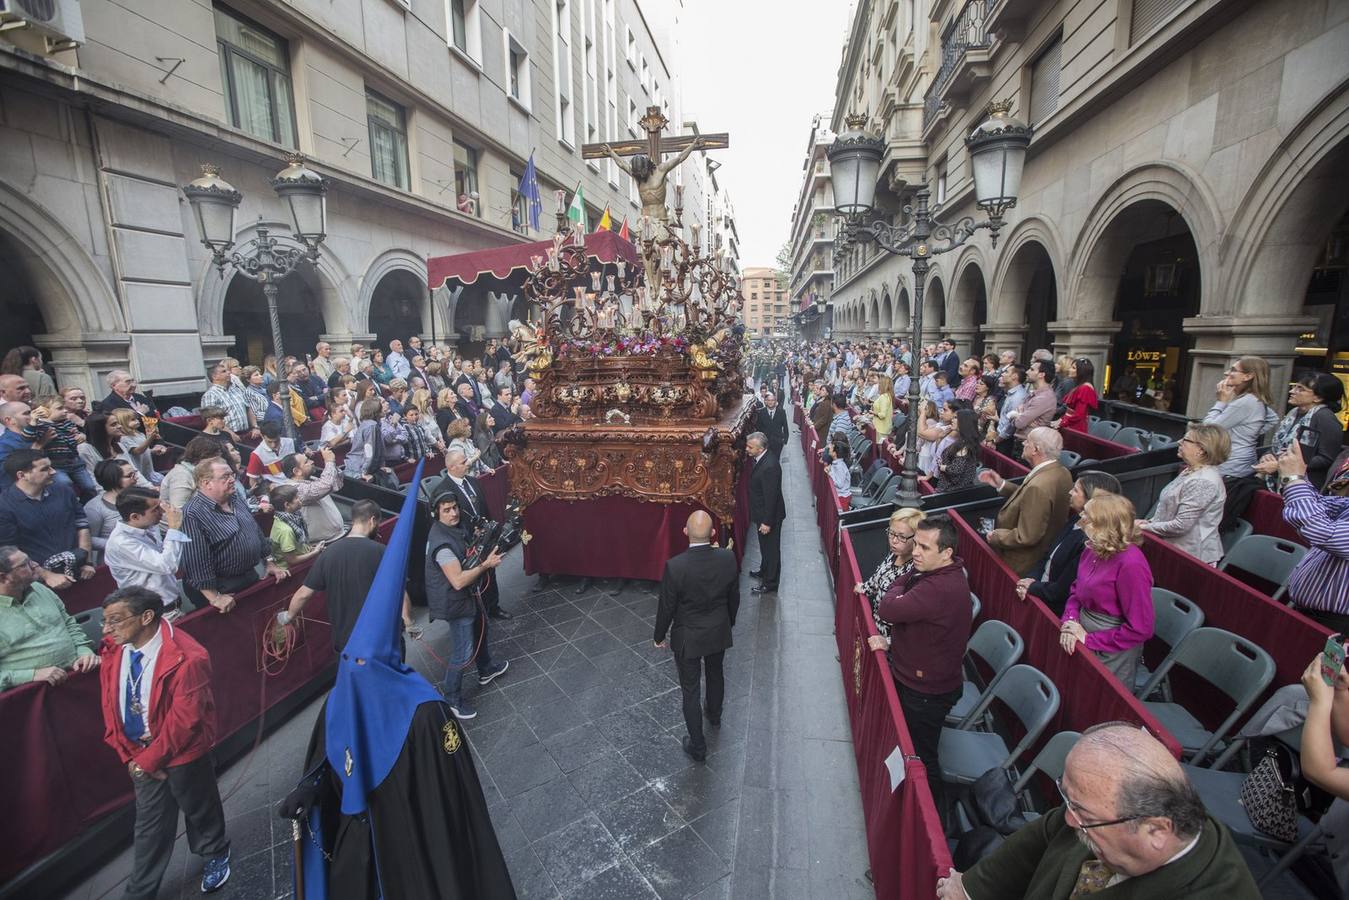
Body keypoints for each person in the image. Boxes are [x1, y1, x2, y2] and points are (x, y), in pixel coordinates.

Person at [282, 482, 515, 899]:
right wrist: (310, 788)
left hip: (412, 840)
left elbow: (451, 795)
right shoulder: (342, 699)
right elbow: (328, 758)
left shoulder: (426, 710)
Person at [936, 723, 1260, 900]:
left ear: (1157, 831)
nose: (1068, 819)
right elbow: (1044, 833)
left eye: (1084, 817)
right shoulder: (1104, 815)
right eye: (1070, 801)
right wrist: (971, 888)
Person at [98, 586, 232, 897]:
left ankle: (214, 852)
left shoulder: (188, 656)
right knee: (149, 826)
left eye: (115, 621)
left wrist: (146, 762)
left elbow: (186, 720)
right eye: (106, 621)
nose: (106, 630)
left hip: (182, 750)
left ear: (146, 617)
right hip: (140, 752)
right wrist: (130, 753)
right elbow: (111, 702)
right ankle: (140, 891)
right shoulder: (114, 648)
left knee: (199, 805)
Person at [875, 515, 972, 820]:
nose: (915, 552)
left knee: (922, 758)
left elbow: (888, 608)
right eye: (915, 544)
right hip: (918, 677)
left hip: (925, 692)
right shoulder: (932, 575)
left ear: (946, 553)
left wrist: (898, 585)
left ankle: (931, 823)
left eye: (925, 547)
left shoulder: (938, 588)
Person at [654, 510, 739, 763]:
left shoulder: (675, 566)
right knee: (716, 673)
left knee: (690, 689)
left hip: (688, 636)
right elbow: (734, 597)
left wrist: (659, 635)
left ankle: (698, 746)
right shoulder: (728, 558)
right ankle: (714, 714)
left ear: (685, 532)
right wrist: (729, 622)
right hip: (717, 630)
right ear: (713, 533)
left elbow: (666, 607)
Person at [280, 499, 417, 650]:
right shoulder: (381, 551)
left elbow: (303, 594)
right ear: (372, 520)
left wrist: (288, 617)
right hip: (383, 640)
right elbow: (399, 592)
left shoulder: (328, 554)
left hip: (347, 644)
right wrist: (408, 622)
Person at [424, 492, 509, 719]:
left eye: (454, 508)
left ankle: (486, 669)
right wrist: (485, 565)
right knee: (462, 652)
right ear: (436, 513)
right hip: (455, 601)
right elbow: (458, 580)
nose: (453, 513)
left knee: (481, 627)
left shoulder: (452, 529)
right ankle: (451, 698)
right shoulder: (442, 545)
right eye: (447, 510)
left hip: (467, 596)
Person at [1060, 493, 1155, 684]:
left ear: (1104, 525)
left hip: (1111, 647)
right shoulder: (1092, 548)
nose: (1081, 518)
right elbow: (1077, 589)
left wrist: (1089, 640)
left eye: (1087, 516)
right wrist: (1070, 622)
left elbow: (1141, 628)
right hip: (1081, 628)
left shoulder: (1131, 564)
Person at [180, 459, 287, 613]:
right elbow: (195, 561)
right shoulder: (192, 513)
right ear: (206, 483)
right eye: (225, 476)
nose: (232, 480)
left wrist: (269, 562)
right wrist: (214, 597)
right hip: (220, 588)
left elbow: (255, 529)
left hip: (249, 575)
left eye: (232, 475)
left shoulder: (235, 498)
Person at [1016, 470, 1121, 617]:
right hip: (1039, 590)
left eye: (1076, 490)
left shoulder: (1090, 541)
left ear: (1091, 499)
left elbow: (1061, 591)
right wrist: (1031, 579)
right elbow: (1047, 557)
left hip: (1055, 610)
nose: (1070, 492)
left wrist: (1031, 587)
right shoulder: (1076, 519)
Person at [978, 427, 1073, 576]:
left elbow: (1026, 536)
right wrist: (1001, 484)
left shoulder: (1039, 486)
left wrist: (996, 536)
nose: (1023, 444)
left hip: (1021, 563)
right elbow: (1030, 499)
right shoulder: (1062, 472)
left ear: (1035, 449)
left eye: (1027, 441)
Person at [0, 544, 98, 689]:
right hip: (34, 695)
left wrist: (84, 650)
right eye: (24, 565)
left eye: (30, 560)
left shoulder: (40, 589)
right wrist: (32, 675)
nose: (35, 565)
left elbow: (69, 624)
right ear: (3, 577)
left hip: (78, 674)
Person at [430, 449, 511, 619]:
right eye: (463, 462)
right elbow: (444, 520)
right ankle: (479, 611)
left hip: (485, 538)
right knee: (473, 576)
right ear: (451, 467)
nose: (468, 463)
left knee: (490, 571)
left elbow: (484, 508)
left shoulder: (474, 482)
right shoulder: (442, 490)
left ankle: (493, 606)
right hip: (464, 541)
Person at [1278, 440, 1349, 632]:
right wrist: (1298, 473)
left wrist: (1293, 478)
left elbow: (1319, 529)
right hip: (1311, 617)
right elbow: (1321, 504)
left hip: (1336, 627)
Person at [1139, 424, 1229, 565]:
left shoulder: (1203, 481)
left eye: (1186, 440)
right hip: (1173, 549)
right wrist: (1150, 522)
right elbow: (1170, 509)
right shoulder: (1191, 471)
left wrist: (1144, 528)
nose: (1180, 442)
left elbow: (1181, 526)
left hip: (1190, 558)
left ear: (1201, 449)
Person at [0, 450, 94, 583]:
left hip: (80, 571)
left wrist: (87, 561)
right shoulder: (4, 506)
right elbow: (9, 549)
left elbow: (82, 525)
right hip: (38, 581)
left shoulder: (64, 491)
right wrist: (46, 575)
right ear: (22, 475)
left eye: (51, 466)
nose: (53, 472)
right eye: (45, 469)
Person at [105, 487, 191, 616]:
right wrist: (174, 528)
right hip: (155, 613)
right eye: (155, 509)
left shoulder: (148, 526)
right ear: (135, 517)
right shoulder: (121, 543)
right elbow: (166, 565)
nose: (161, 512)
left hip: (172, 603)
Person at [1255, 372, 1346, 491]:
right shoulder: (1294, 412)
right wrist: (1269, 454)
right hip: (1277, 480)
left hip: (1304, 486)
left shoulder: (1325, 418)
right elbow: (1281, 444)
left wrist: (1281, 465)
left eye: (1300, 389)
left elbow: (1326, 458)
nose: (1292, 391)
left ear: (1318, 398)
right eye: (1294, 387)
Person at [857, 507, 926, 646]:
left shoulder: (915, 572)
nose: (894, 540)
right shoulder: (895, 554)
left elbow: (914, 625)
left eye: (901, 536)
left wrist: (888, 643)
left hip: (889, 642)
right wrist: (865, 588)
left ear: (916, 539)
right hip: (873, 627)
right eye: (891, 533)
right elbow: (879, 576)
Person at [1203, 356, 1277, 479]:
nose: (1227, 373)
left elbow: (1209, 429)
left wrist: (1221, 402)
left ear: (1248, 376)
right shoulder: (1252, 399)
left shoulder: (1246, 402)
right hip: (1239, 462)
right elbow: (1272, 418)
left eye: (1233, 370)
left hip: (1231, 465)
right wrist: (1246, 433)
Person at [26, 395, 97, 498]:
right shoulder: (40, 426)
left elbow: (73, 440)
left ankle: (87, 505)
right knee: (65, 483)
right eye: (60, 408)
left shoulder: (67, 423)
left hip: (75, 462)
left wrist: (80, 437)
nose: (65, 411)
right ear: (43, 410)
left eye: (65, 408)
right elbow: (28, 437)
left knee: (89, 487)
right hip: (56, 465)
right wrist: (33, 421)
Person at [278, 448, 346, 543]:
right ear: (297, 471)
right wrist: (329, 461)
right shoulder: (293, 489)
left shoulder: (312, 479)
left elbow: (336, 485)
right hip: (322, 544)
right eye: (306, 462)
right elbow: (327, 484)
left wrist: (332, 464)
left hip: (337, 536)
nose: (312, 462)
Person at [747, 432, 785, 595]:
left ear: (761, 448)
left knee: (771, 549)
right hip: (761, 513)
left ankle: (770, 582)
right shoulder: (762, 459)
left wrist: (767, 522)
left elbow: (771, 497)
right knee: (764, 546)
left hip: (769, 517)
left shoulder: (769, 466)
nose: (747, 449)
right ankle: (764, 570)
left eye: (750, 447)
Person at [86, 458, 137, 554]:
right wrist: (118, 545)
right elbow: (88, 539)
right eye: (130, 475)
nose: (135, 478)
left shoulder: (138, 498)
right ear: (114, 479)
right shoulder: (94, 508)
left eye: (135, 473)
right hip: (114, 558)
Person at [268, 484, 324, 571]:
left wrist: (311, 549)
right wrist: (315, 552)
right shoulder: (286, 531)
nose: (299, 499)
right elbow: (292, 560)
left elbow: (298, 547)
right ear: (287, 505)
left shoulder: (290, 518)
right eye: (296, 498)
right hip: (293, 570)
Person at [199, 362, 259, 438]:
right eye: (224, 371)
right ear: (214, 376)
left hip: (247, 434)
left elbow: (248, 408)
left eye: (227, 370)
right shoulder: (210, 395)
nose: (229, 373)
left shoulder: (236, 390)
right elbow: (212, 419)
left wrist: (255, 427)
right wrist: (230, 434)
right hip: (226, 436)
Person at [1011, 359, 1057, 455]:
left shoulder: (1044, 397)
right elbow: (1015, 414)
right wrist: (1019, 415)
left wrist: (1018, 415)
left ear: (1041, 374)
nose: (1027, 372)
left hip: (1030, 446)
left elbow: (1019, 423)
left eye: (1031, 369)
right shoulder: (1035, 393)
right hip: (1022, 441)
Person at [931, 408, 982, 493]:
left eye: (955, 418)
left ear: (963, 422)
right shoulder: (963, 441)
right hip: (951, 489)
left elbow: (956, 469)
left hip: (951, 492)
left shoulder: (965, 445)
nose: (952, 420)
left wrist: (942, 467)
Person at [111, 408, 165, 486]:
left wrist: (152, 450)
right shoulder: (125, 438)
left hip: (149, 470)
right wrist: (150, 439)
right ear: (123, 423)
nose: (137, 421)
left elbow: (144, 449)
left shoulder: (140, 434)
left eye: (136, 419)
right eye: (132, 420)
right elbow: (137, 451)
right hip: (139, 471)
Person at [245, 420, 297, 488]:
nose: (273, 445)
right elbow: (253, 482)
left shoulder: (290, 443)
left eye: (276, 441)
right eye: (269, 442)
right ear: (262, 436)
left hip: (296, 481)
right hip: (278, 490)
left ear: (280, 435)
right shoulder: (256, 455)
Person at [1053, 357, 1098, 433]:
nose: (1069, 370)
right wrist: (1060, 420)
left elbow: (1079, 415)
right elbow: (1070, 411)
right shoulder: (1080, 386)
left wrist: (1062, 423)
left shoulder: (1086, 389)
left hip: (1075, 428)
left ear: (1081, 371)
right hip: (1069, 426)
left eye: (1073, 368)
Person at [994, 365, 1028, 456]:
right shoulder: (1011, 393)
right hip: (1000, 436)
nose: (1003, 374)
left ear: (1014, 376)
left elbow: (1011, 425)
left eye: (1006, 372)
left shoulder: (1018, 396)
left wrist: (997, 439)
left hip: (1006, 441)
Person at [755, 390, 789, 458]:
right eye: (769, 400)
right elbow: (758, 427)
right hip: (765, 443)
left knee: (776, 461)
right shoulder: (761, 412)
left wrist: (785, 440)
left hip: (777, 442)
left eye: (772, 400)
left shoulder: (781, 412)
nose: (770, 402)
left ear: (775, 402)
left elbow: (785, 426)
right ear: (766, 402)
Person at [825, 438, 852, 509]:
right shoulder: (836, 463)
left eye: (831, 448)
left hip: (841, 499)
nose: (829, 448)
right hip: (838, 496)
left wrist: (830, 473)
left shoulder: (840, 467)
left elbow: (839, 484)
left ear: (835, 453)